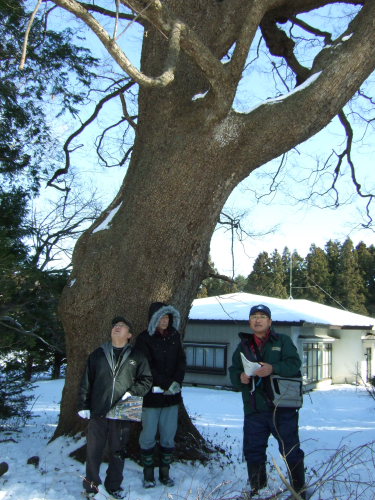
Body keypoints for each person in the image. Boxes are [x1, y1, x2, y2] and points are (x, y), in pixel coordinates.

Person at [229, 304, 306, 499]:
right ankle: (258, 489)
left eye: (262, 316)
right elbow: (234, 370)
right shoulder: (243, 345)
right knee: (253, 450)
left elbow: (294, 365)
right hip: (254, 408)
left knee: (290, 450)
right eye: (254, 316)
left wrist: (273, 368)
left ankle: (300, 490)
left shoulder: (283, 341)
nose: (258, 320)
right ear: (250, 321)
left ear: (270, 321)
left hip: (282, 408)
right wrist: (240, 378)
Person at [78, 316, 152, 499]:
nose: (117, 328)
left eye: (122, 326)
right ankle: (91, 487)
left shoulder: (137, 356)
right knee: (94, 450)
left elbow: (146, 380)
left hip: (123, 410)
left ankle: (114, 486)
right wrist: (83, 404)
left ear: (129, 335)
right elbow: (87, 381)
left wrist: (133, 392)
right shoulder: (98, 354)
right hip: (99, 410)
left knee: (118, 451)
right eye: (115, 326)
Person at [135, 302, 186, 489]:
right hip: (151, 396)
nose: (165, 321)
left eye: (167, 318)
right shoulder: (144, 338)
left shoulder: (174, 336)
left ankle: (165, 473)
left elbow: (181, 360)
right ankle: (148, 474)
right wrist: (165, 383)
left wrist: (176, 382)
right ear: (153, 319)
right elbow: (145, 365)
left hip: (171, 397)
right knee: (148, 434)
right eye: (161, 318)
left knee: (168, 435)